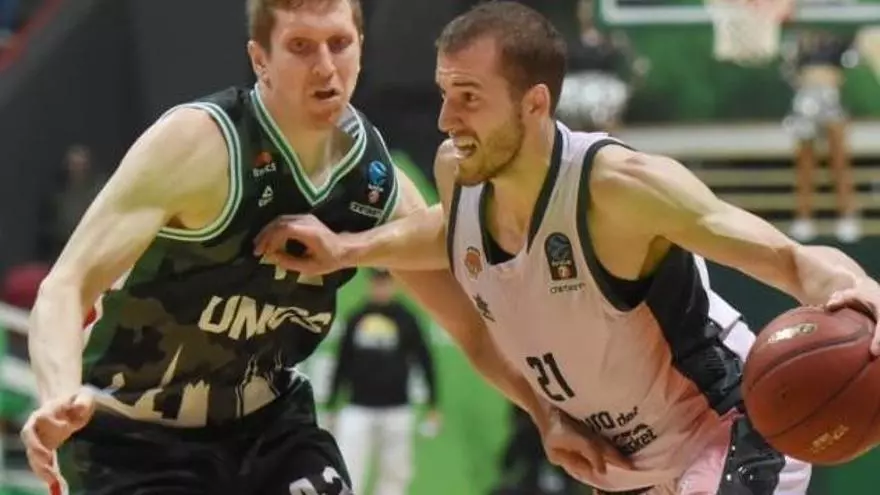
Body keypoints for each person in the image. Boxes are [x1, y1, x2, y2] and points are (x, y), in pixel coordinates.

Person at [254, 2, 880, 494]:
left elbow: (788, 258)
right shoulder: (459, 174)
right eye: (444, 93)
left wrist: (859, 292)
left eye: (469, 98)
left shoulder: (617, 188)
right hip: (626, 467)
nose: (446, 118)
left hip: (725, 434)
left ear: (534, 104)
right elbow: (451, 231)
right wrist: (346, 248)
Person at [21, 1, 591, 493]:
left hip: (270, 432)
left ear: (361, 48)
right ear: (260, 59)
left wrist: (548, 415)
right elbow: (65, 286)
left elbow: (468, 324)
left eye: (339, 44)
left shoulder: (374, 180)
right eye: (300, 46)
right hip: (135, 438)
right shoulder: (200, 145)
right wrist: (56, 396)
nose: (324, 66)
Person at [327, 268, 440, 495]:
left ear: (393, 284)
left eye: (385, 281)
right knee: (348, 470)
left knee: (395, 474)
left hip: (397, 408)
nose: (381, 287)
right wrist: (332, 404)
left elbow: (425, 360)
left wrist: (433, 403)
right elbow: (342, 363)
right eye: (377, 281)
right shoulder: (356, 317)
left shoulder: (406, 319)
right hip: (358, 407)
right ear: (370, 283)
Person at [782, 29, 860, 243]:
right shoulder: (799, 36)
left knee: (839, 160)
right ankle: (803, 218)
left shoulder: (839, 33)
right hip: (806, 97)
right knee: (805, 163)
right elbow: (788, 67)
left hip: (831, 95)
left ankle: (847, 216)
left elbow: (852, 59)